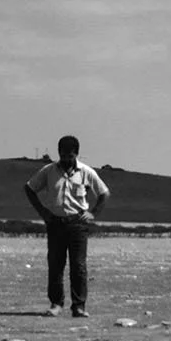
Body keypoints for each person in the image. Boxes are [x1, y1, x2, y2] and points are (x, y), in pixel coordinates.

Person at [23, 135, 110, 317]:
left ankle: (78, 306)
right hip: (55, 223)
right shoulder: (48, 171)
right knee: (55, 264)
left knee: (78, 266)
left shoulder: (86, 172)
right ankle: (56, 303)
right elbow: (29, 188)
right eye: (63, 155)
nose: (66, 160)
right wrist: (43, 212)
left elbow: (104, 193)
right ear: (59, 153)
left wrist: (93, 213)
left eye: (70, 156)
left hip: (77, 224)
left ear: (76, 154)